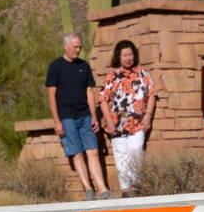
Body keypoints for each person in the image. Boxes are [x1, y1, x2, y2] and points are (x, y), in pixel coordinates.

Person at [46, 32, 112, 199]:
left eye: (80, 47)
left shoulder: (84, 66)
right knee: (77, 153)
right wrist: (56, 121)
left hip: (85, 116)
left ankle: (103, 189)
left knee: (93, 152)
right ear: (66, 46)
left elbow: (90, 92)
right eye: (75, 47)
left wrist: (94, 117)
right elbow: (51, 95)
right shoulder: (55, 66)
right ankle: (88, 190)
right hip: (66, 117)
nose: (78, 50)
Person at [97, 39, 157, 196]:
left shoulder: (143, 74)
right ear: (119, 57)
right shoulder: (112, 76)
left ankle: (135, 185)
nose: (128, 58)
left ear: (134, 56)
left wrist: (148, 116)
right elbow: (102, 99)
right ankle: (126, 189)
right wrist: (108, 121)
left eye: (130, 54)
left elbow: (151, 95)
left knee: (136, 150)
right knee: (121, 156)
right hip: (117, 125)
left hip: (137, 123)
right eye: (124, 55)